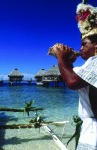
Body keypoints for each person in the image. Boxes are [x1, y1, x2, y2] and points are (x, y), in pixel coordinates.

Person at [49, 2, 97, 150]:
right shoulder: (90, 64)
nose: (80, 48)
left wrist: (61, 58)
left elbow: (72, 82)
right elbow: (75, 78)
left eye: (84, 44)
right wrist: (66, 63)